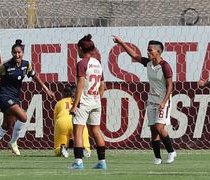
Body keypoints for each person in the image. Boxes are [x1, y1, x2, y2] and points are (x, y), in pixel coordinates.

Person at [0, 39, 55, 159]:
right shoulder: (6, 66)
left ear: (22, 53)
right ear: (11, 53)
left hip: (14, 97)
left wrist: (46, 89)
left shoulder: (26, 65)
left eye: (19, 52)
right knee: (23, 117)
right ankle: (13, 142)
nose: (17, 55)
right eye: (14, 53)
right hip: (4, 97)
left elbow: (35, 77)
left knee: (7, 125)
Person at [113, 36, 176, 164]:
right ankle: (157, 158)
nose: (148, 52)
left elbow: (170, 85)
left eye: (150, 50)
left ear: (158, 52)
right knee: (153, 130)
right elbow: (134, 55)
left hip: (163, 100)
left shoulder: (165, 66)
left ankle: (171, 151)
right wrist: (121, 43)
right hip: (151, 100)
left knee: (159, 127)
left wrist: (164, 102)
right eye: (147, 50)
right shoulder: (148, 63)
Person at [69, 34, 107, 169]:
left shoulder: (82, 63)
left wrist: (75, 105)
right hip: (96, 101)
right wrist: (97, 99)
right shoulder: (98, 63)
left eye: (77, 49)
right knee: (96, 131)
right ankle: (102, 162)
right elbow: (102, 86)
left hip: (83, 102)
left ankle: (78, 162)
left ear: (80, 48)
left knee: (78, 131)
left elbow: (80, 84)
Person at [53, 85, 91, 158]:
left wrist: (58, 128)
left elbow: (55, 120)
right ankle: (85, 149)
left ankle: (61, 149)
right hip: (77, 121)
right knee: (83, 142)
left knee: (58, 146)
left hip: (62, 121)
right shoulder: (80, 101)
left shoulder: (59, 103)